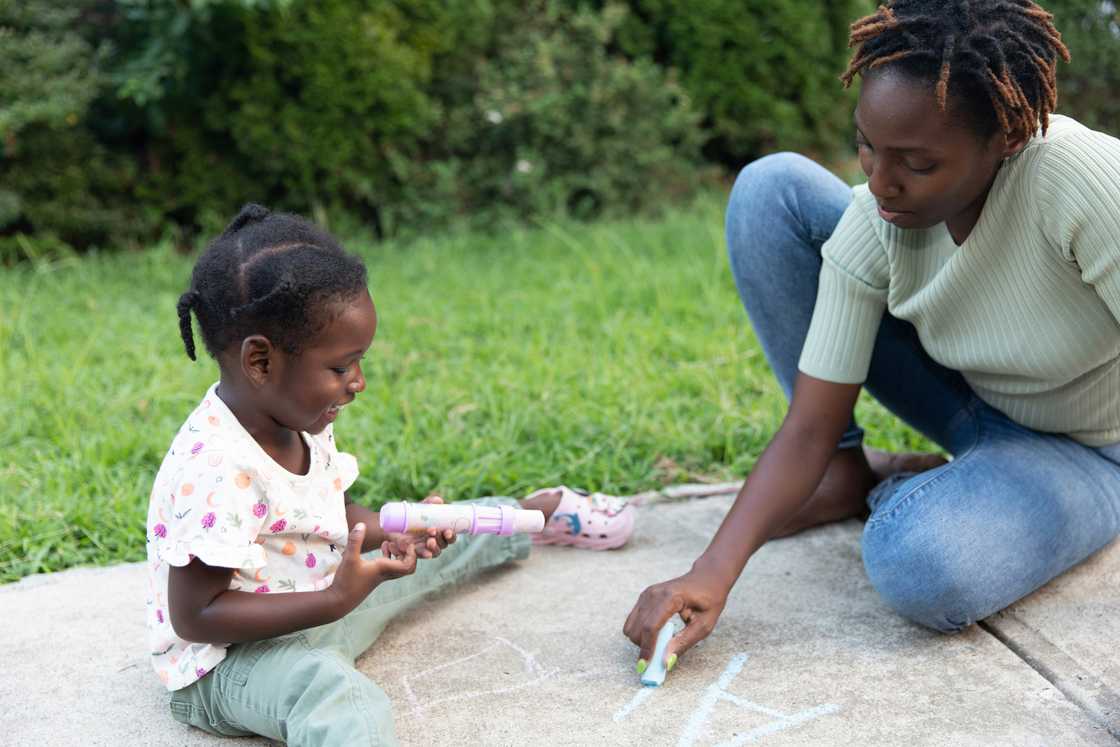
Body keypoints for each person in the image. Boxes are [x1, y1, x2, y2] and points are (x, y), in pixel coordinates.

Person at [625, 0, 1120, 672]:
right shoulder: (876, 220)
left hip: (1094, 450)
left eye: (916, 162)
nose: (880, 183)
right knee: (772, 188)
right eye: (865, 145)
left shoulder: (1078, 181)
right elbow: (810, 426)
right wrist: (708, 575)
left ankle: (955, 488)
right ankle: (852, 476)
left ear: (1005, 136)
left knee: (919, 563)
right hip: (973, 402)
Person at [146, 204, 636, 745]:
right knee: (336, 698)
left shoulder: (295, 414)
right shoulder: (215, 470)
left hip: (322, 599)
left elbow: (323, 515)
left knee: (438, 537)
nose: (357, 381)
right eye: (340, 367)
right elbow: (197, 616)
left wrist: (395, 529)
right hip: (234, 662)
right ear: (260, 362)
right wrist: (335, 600)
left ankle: (527, 515)